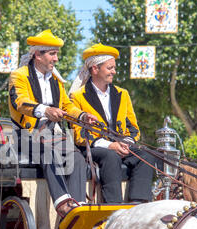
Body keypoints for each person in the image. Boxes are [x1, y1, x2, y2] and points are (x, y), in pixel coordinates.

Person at [8, 29, 97, 219]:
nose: (56, 59)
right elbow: (20, 102)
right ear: (37, 55)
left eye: (56, 54)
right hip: (26, 135)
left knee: (78, 159)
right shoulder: (19, 76)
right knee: (49, 153)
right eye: (52, 54)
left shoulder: (57, 80)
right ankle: (63, 204)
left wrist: (82, 116)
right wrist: (45, 110)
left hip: (53, 134)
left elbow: (67, 106)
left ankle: (78, 207)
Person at [69, 43, 154, 203]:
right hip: (94, 149)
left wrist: (126, 143)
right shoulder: (77, 97)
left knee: (146, 155)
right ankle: (113, 207)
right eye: (110, 68)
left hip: (122, 146)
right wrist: (110, 146)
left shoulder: (123, 94)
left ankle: (139, 204)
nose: (114, 72)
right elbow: (79, 136)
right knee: (111, 156)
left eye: (114, 68)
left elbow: (133, 129)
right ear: (95, 69)